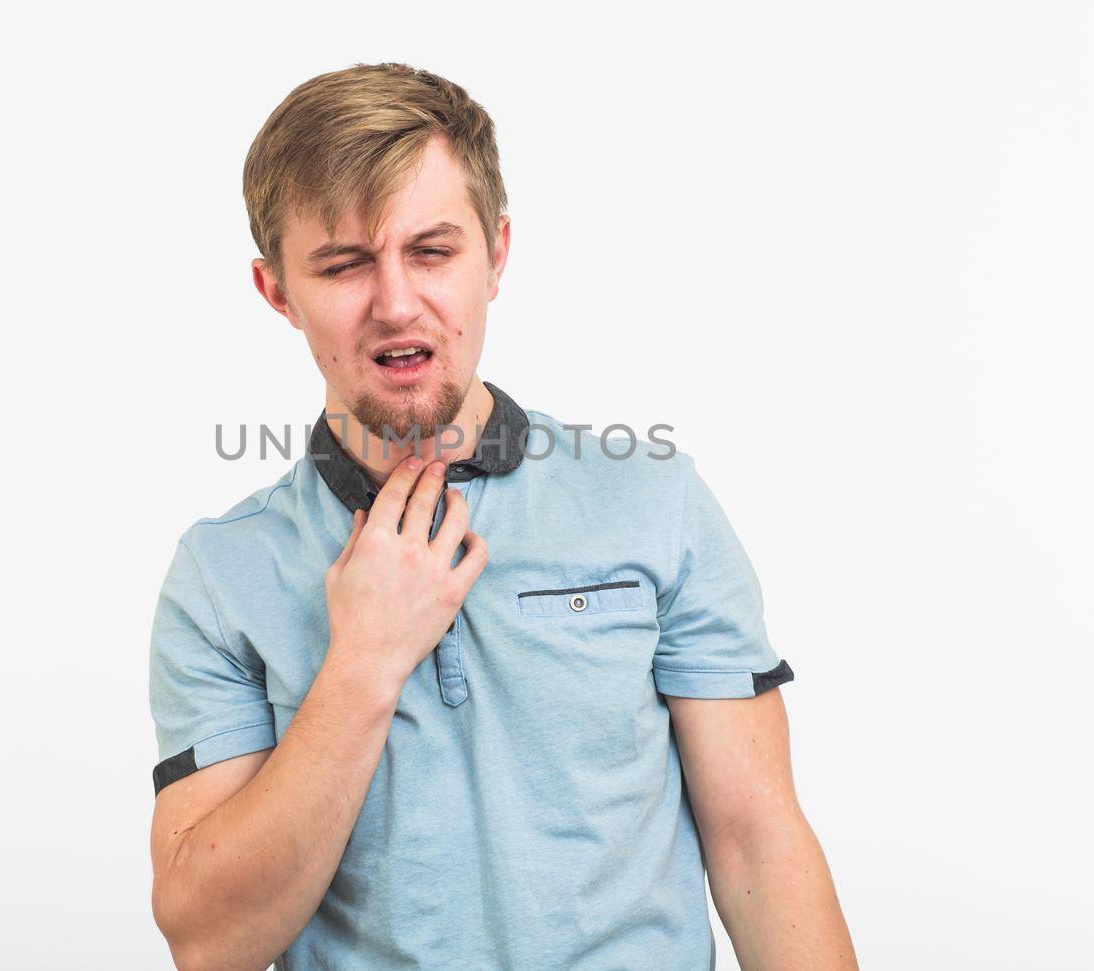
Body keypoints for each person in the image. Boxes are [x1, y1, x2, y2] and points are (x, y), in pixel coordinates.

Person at [147, 62, 858, 970]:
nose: (397, 301)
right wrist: (363, 661)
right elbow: (211, 940)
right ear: (277, 290)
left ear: (498, 255)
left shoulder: (654, 500)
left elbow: (760, 844)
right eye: (344, 263)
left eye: (432, 251)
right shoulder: (220, 576)